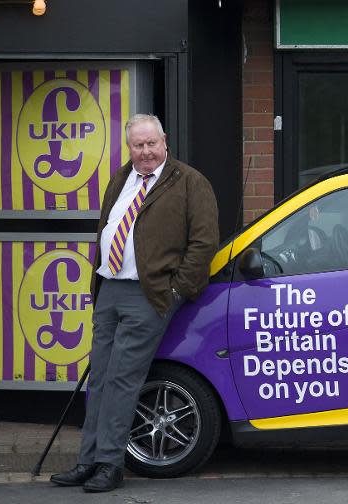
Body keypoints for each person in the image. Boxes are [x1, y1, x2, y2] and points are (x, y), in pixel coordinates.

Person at [50, 114, 219, 492]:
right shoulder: (121, 178)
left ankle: (110, 465)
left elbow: (204, 242)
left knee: (124, 379)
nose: (145, 152)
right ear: (129, 147)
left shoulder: (189, 182)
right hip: (109, 289)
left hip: (150, 293)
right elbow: (110, 226)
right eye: (137, 145)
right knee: (101, 378)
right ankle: (87, 461)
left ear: (164, 142)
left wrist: (176, 290)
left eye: (151, 144)